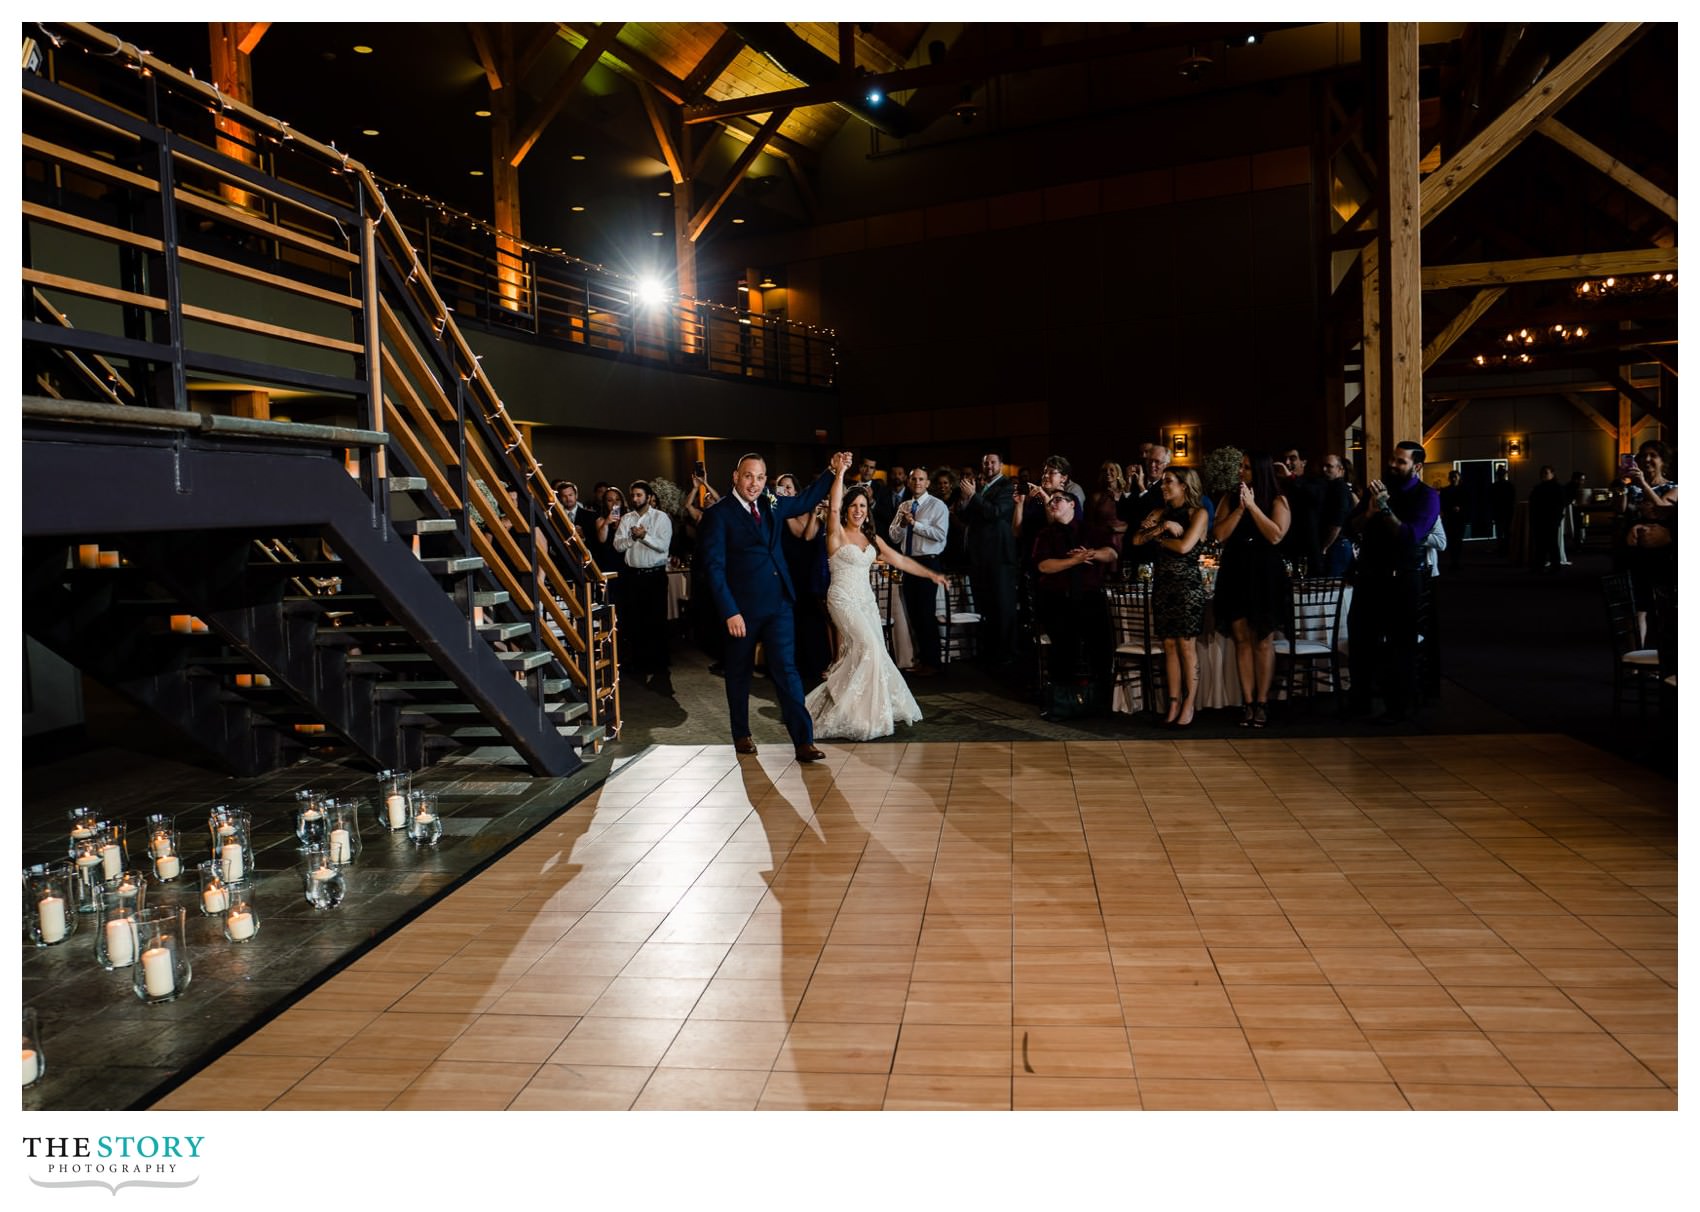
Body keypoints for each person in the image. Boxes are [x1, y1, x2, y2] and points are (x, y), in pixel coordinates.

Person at [698, 450, 852, 760]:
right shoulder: (719, 514)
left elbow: (806, 501)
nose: (754, 483)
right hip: (741, 610)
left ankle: (803, 742)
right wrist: (730, 610)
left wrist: (831, 470)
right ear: (735, 477)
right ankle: (741, 733)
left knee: (787, 670)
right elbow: (713, 568)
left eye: (759, 477)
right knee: (739, 673)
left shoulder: (771, 502)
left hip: (779, 602)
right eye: (748, 476)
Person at [806, 463, 948, 741]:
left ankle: (856, 710)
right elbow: (832, 507)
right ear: (846, 510)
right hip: (842, 598)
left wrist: (931, 574)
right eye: (853, 506)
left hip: (866, 601)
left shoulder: (871, 538)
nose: (858, 510)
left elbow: (902, 560)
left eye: (862, 506)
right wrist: (841, 474)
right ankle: (849, 711)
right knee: (869, 647)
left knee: (871, 654)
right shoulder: (836, 534)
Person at [1345, 440, 1442, 724]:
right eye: (1392, 459)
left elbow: (1410, 536)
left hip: (1403, 579)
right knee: (1360, 640)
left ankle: (1399, 707)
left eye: (1401, 461)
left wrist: (1385, 509)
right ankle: (1360, 702)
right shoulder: (1377, 491)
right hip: (1369, 577)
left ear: (1417, 466)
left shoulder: (1427, 496)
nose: (1393, 465)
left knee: (1401, 645)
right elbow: (1351, 528)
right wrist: (1370, 511)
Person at [1212, 452, 1291, 727]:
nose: (1240, 472)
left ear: (1259, 471)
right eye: (1240, 467)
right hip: (1236, 570)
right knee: (1241, 637)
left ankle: (1262, 701)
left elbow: (1276, 535)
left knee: (1263, 639)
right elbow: (1219, 534)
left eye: (1246, 467)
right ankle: (1247, 702)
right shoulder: (1229, 499)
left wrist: (1254, 507)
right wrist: (1240, 509)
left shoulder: (1277, 500)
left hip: (1265, 572)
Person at [1129, 467, 1209, 728]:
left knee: (1186, 646)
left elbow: (1185, 546)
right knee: (1169, 646)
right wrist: (1162, 528)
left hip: (1187, 586)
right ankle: (1173, 702)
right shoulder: (1159, 513)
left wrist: (1159, 539)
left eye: (1168, 482)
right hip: (1163, 585)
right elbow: (1137, 540)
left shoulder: (1199, 513)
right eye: (1163, 482)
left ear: (1184, 485)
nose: (1163, 486)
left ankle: (1189, 703)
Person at [1029, 491, 1118, 720]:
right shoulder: (1045, 535)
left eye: (1057, 500)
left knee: (1101, 650)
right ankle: (1062, 705)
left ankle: (1099, 703)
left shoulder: (1091, 530)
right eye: (1050, 502)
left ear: (1072, 504)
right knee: (1062, 651)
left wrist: (1091, 553)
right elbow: (1044, 566)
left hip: (1090, 598)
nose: (1052, 504)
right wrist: (1074, 561)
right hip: (1057, 599)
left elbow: (1111, 553)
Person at [612, 480, 674, 693]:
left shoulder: (661, 518)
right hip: (632, 576)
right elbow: (617, 545)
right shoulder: (627, 519)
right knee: (634, 620)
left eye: (639, 495)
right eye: (633, 495)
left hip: (654, 576)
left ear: (648, 497)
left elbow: (663, 547)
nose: (635, 499)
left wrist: (644, 536)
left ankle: (659, 665)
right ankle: (638, 662)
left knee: (655, 620)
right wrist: (631, 536)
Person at [888, 466, 950, 676]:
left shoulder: (937, 506)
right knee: (913, 613)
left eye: (921, 479)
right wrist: (904, 526)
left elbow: (940, 535)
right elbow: (894, 536)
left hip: (928, 563)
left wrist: (915, 524)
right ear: (908, 482)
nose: (917, 483)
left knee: (926, 613)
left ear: (927, 483)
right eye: (914, 479)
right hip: (908, 562)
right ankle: (922, 660)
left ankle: (933, 662)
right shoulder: (904, 505)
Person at [961, 451, 1018, 666]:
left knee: (1003, 604)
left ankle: (1007, 653)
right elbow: (967, 518)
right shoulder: (980, 487)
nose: (989, 466)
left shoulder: (1006, 487)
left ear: (1001, 465)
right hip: (981, 555)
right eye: (985, 463)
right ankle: (991, 650)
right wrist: (968, 499)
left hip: (999, 554)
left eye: (993, 462)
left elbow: (995, 513)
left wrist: (974, 497)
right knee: (986, 604)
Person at [775, 471, 832, 685]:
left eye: (788, 487)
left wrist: (815, 514)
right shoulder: (783, 513)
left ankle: (819, 662)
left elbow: (809, 535)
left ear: (797, 491)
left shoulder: (810, 511)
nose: (785, 491)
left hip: (812, 569)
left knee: (814, 618)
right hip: (792, 571)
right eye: (780, 488)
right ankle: (800, 664)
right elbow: (800, 534)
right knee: (797, 619)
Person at [1278, 448, 1325, 576]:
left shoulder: (1314, 482)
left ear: (1303, 462)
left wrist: (1290, 477)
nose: (1287, 462)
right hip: (1283, 546)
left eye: (1292, 458)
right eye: (1285, 459)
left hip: (1307, 548)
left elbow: (1313, 496)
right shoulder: (1278, 485)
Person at [1318, 452, 1356, 576]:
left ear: (1340, 470)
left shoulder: (1339, 489)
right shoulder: (1331, 488)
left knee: (1332, 588)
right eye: (1323, 466)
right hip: (1338, 544)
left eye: (1329, 466)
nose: (1324, 469)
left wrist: (1324, 547)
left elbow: (1337, 523)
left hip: (1338, 544)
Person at [1528, 465, 1568, 572]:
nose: (1543, 475)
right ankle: (1540, 565)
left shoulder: (1557, 488)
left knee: (1551, 543)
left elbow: (1561, 505)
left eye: (1546, 473)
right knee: (1540, 544)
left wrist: (1557, 519)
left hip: (1550, 520)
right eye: (1542, 473)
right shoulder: (1539, 488)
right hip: (1541, 520)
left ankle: (1554, 566)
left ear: (1552, 474)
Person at [1437, 469, 1466, 573]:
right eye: (1452, 477)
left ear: (1459, 477)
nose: (1454, 478)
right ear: (1449, 478)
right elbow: (1442, 504)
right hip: (1450, 518)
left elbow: (1468, 503)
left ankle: (1456, 561)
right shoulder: (1445, 491)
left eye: (1455, 476)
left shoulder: (1464, 490)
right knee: (1452, 540)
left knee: (1458, 540)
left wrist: (1461, 508)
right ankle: (1454, 561)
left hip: (1459, 519)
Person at [1491, 466, 1516, 556]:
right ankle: (1505, 548)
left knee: (1502, 531)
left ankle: (1503, 548)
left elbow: (1492, 500)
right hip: (1505, 511)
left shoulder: (1495, 486)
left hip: (1502, 511)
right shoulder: (1509, 485)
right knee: (1505, 531)